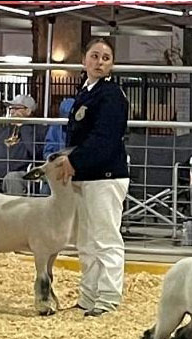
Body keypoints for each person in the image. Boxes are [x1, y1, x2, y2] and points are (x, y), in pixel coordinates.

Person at [52, 39, 130, 317]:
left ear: (112, 65)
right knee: (85, 240)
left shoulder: (111, 95)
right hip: (85, 176)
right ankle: (88, 296)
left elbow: (104, 138)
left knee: (105, 238)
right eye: (95, 56)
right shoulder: (86, 92)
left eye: (106, 58)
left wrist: (74, 160)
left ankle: (107, 298)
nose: (99, 62)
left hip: (105, 176)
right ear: (84, 60)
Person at [0, 94, 46, 195]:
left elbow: (35, 152)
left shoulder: (39, 130)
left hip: (21, 175)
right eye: (11, 108)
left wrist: (23, 126)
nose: (11, 112)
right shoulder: (5, 130)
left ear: (28, 111)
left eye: (16, 108)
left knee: (12, 178)